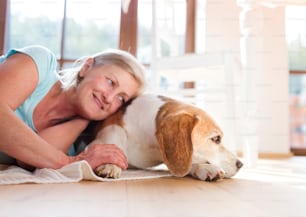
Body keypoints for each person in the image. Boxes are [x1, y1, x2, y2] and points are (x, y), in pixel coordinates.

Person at [0, 45, 146, 171]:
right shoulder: (39, 63)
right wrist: (69, 162)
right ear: (86, 67)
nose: (109, 98)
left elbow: (28, 161)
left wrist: (84, 118)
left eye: (121, 98)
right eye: (110, 82)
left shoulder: (70, 145)